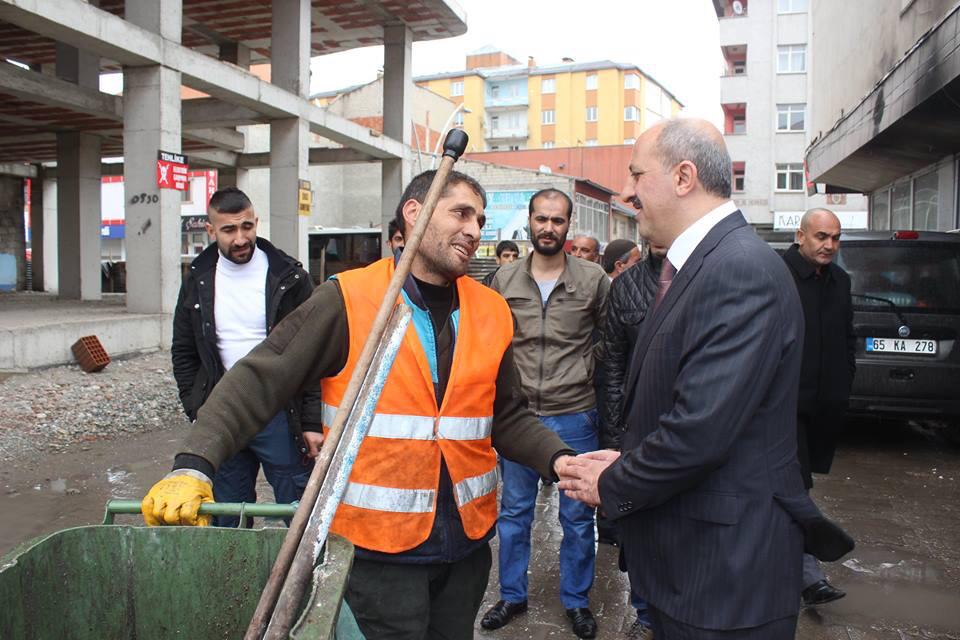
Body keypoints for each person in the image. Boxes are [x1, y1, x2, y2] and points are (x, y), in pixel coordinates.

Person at [144, 170, 576, 640]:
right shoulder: (349, 299)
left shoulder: (490, 309)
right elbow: (259, 379)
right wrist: (194, 464)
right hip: (377, 556)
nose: (475, 230)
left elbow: (506, 413)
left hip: (466, 550)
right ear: (415, 213)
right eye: (461, 213)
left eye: (481, 219)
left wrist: (560, 459)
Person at [559, 119, 853, 639]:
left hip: (724, 576)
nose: (627, 192)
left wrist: (613, 482)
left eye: (636, 174)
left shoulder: (738, 268)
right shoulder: (704, 263)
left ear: (683, 177)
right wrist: (628, 455)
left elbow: (700, 428)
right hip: (695, 561)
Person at [482, 189, 610, 639]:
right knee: (514, 512)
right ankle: (512, 596)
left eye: (558, 220)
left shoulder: (594, 279)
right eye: (541, 219)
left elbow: (607, 339)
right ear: (529, 223)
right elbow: (490, 342)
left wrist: (585, 369)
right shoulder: (504, 279)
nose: (549, 228)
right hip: (519, 418)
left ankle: (577, 601)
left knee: (577, 516)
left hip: (575, 412)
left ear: (568, 225)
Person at [170, 186, 318, 527]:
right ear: (210, 230)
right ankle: (234, 578)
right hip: (224, 412)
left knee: (298, 511)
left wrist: (310, 422)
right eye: (229, 230)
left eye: (247, 227)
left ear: (256, 222)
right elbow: (184, 351)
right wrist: (198, 409)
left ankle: (306, 577)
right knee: (227, 513)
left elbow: (314, 353)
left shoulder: (289, 277)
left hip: (279, 410)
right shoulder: (198, 279)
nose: (241, 238)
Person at [593, 240, 667, 640]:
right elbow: (613, 369)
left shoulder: (707, 274)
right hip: (637, 430)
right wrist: (617, 434)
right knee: (637, 525)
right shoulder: (627, 287)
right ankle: (645, 613)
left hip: (691, 424)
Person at [783, 207, 855, 607]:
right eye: (821, 236)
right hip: (783, 406)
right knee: (797, 488)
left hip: (822, 407)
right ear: (801, 236)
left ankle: (785, 563)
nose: (829, 245)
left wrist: (846, 383)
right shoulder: (778, 273)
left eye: (835, 238)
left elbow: (846, 336)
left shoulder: (840, 280)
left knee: (791, 487)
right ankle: (810, 578)